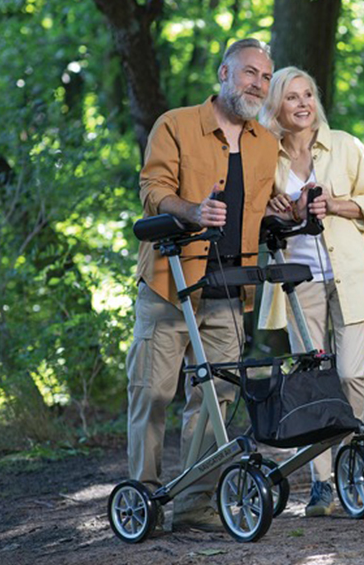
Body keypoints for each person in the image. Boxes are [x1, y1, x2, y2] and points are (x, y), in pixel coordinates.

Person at [126, 38, 277, 532]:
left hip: (230, 290)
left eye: (265, 77)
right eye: (250, 72)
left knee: (216, 401)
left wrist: (292, 208)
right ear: (224, 73)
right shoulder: (175, 125)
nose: (258, 83)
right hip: (170, 284)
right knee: (152, 393)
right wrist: (192, 210)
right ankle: (143, 501)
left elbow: (264, 206)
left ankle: (193, 504)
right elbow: (152, 190)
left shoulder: (266, 143)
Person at [258, 66, 364, 517]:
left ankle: (352, 464)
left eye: (308, 95)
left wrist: (335, 204)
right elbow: (253, 213)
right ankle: (321, 483)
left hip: (351, 275)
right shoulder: (264, 156)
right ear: (276, 105)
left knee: (350, 374)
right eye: (292, 97)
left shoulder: (347, 146)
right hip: (298, 283)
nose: (303, 104)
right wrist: (275, 210)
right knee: (311, 379)